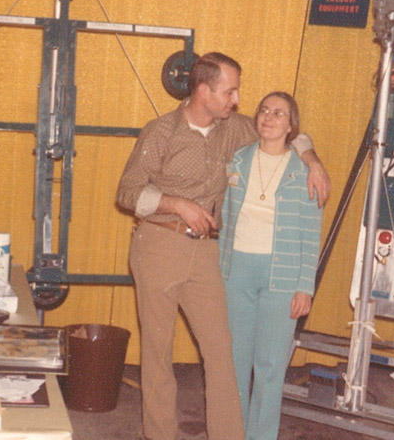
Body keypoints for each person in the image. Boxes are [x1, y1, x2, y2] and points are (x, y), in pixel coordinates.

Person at [116, 52, 329, 440]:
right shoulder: (161, 131)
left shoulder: (233, 129)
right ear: (203, 91)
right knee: (158, 353)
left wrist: (312, 160)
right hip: (158, 245)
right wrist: (175, 203)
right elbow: (128, 193)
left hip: (206, 254)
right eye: (229, 92)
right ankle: (160, 434)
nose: (236, 100)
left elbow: (289, 131)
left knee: (222, 353)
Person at [218, 91, 323, 440]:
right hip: (236, 274)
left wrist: (305, 287)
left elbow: (312, 233)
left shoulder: (303, 171)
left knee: (270, 368)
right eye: (264, 110)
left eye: (279, 113)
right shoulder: (237, 159)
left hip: (282, 279)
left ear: (291, 126)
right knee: (233, 365)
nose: (269, 117)